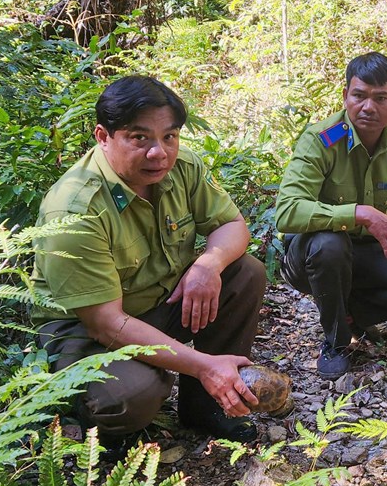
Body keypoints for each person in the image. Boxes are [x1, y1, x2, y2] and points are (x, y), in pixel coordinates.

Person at [33, 75, 267, 456]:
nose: (159, 152)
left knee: (245, 273)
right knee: (133, 393)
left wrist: (208, 264)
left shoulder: (182, 168)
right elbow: (105, 322)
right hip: (87, 334)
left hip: (157, 304)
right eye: (139, 138)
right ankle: (107, 428)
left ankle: (205, 409)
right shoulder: (75, 208)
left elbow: (231, 225)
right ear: (103, 137)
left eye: (169, 137)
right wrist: (204, 365)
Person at [275, 52, 387, 380]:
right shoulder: (320, 140)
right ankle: (336, 340)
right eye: (359, 96)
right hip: (312, 255)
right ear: (345, 96)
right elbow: (287, 211)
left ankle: (348, 312)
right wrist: (359, 214)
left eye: (380, 98)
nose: (368, 107)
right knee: (330, 245)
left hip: (365, 255)